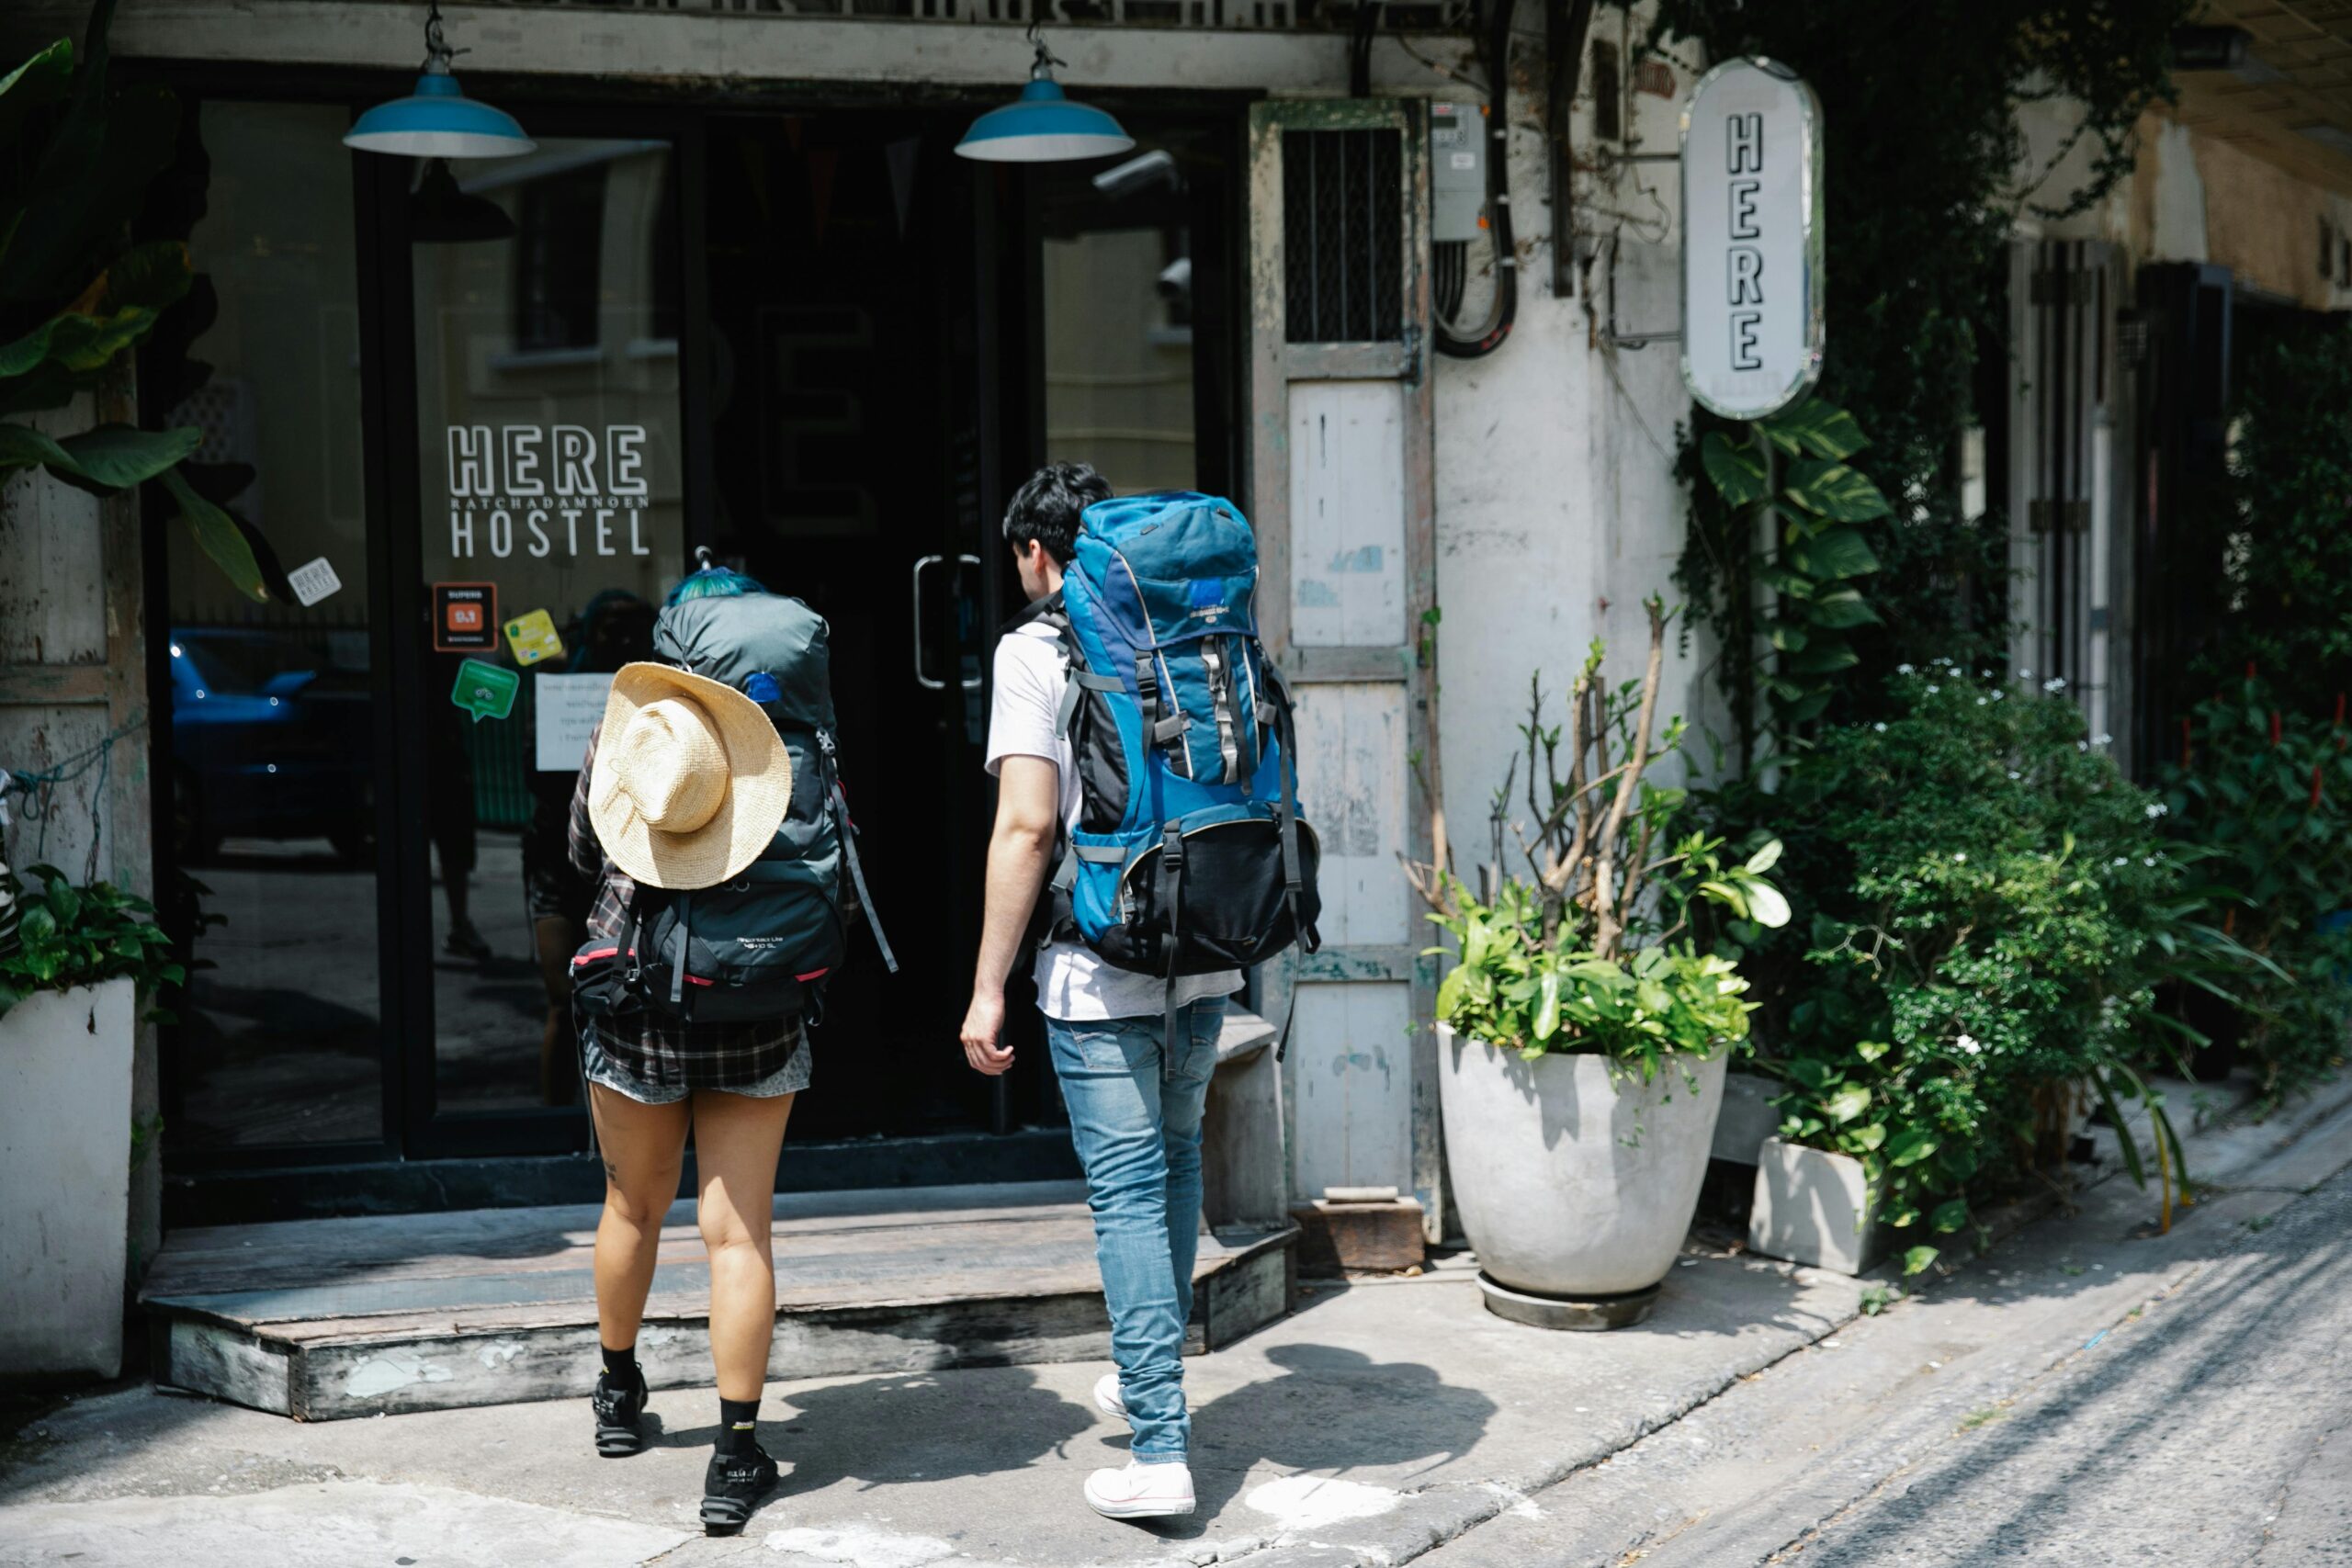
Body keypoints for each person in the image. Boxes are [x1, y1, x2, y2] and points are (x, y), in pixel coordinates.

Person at [959, 462, 1238, 1522]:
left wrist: (988, 987)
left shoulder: (1033, 648)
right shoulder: (1197, 632)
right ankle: (1142, 1378)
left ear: (1037, 554)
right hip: (1207, 947)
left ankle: (1160, 1445)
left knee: (1126, 1189)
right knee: (1170, 1167)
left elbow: (1027, 827)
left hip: (1097, 963)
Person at [569, 567, 804, 1536]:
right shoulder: (791, 743)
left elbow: (586, 851)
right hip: (756, 999)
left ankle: (619, 1394)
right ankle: (735, 1455)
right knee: (737, 1231)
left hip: (634, 997)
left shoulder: (636, 734)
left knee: (633, 1202)